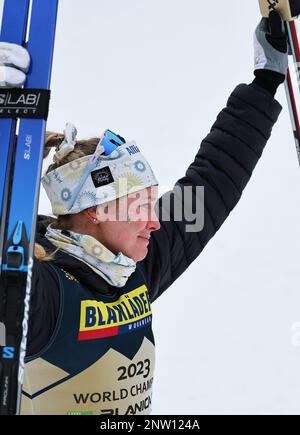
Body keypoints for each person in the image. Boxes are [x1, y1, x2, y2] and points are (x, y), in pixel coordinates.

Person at [0, 11, 288, 415]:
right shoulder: (47, 291)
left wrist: (265, 82)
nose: (154, 220)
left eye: (152, 205)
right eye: (139, 206)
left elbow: (212, 182)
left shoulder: (137, 265)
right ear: (94, 211)